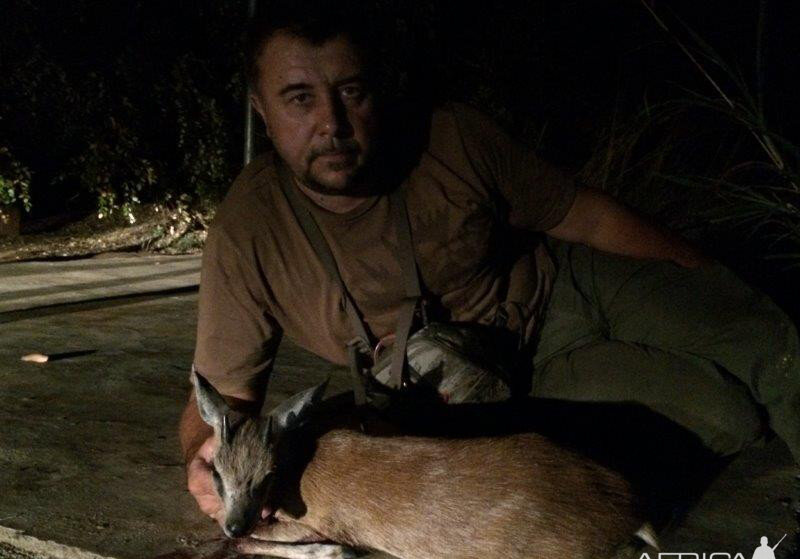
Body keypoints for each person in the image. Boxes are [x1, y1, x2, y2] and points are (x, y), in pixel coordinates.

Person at [179, 2, 800, 523]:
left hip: (570, 284)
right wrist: (202, 461)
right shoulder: (249, 228)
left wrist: (707, 277)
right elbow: (223, 392)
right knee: (728, 418)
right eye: (299, 99)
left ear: (378, 90)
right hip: (515, 384)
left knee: (762, 337)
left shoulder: (451, 137)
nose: (331, 124)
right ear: (261, 110)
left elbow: (583, 216)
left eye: (351, 92)